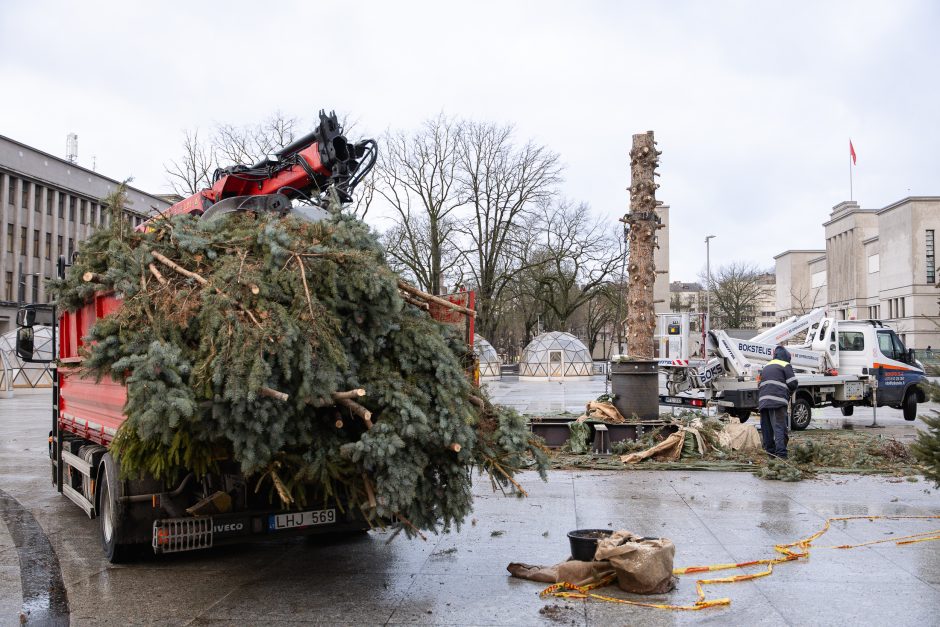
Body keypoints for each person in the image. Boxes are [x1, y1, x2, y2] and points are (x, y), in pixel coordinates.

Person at [758, 346, 798, 458]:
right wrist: (788, 392)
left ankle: (770, 454)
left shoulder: (766, 366)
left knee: (767, 429)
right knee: (779, 428)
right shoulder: (785, 365)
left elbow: (759, 384)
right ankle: (781, 456)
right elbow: (793, 383)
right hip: (777, 402)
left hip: (763, 402)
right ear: (786, 357)